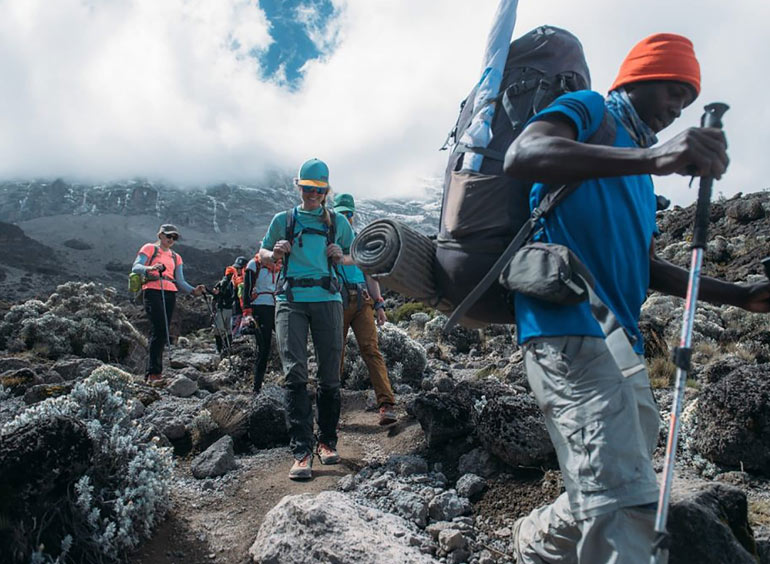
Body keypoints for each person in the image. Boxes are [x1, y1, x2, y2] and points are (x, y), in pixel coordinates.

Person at [503, 33, 770, 563]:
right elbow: (522, 154)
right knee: (625, 501)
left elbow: (646, 268)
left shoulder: (644, 178)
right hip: (564, 325)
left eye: (688, 101)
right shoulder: (591, 109)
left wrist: (741, 296)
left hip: (619, 338)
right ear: (639, 77)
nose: (678, 108)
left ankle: (534, 541)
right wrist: (651, 157)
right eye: (674, 91)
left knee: (622, 477)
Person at [258, 158, 354, 480]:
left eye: (318, 189)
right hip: (290, 301)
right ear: (297, 187)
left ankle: (327, 441)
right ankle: (301, 452)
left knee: (329, 374)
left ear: (326, 190)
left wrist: (341, 255)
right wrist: (275, 253)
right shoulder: (283, 220)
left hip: (327, 299)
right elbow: (262, 253)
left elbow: (357, 256)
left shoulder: (337, 222)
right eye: (307, 188)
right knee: (294, 373)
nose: (312, 194)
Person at [333, 193, 397, 425]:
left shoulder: (361, 242)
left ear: (353, 215)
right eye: (340, 214)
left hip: (362, 301)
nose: (344, 218)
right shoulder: (328, 242)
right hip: (335, 302)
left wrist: (379, 304)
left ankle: (387, 405)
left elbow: (370, 275)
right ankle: (331, 409)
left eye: (348, 214)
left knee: (371, 350)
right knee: (334, 354)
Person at [132, 224, 205, 384]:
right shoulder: (150, 248)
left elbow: (180, 281)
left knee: (164, 330)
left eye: (174, 237)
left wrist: (194, 291)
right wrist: (151, 268)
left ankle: (156, 372)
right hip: (152, 289)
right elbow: (136, 267)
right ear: (160, 235)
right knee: (158, 329)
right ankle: (153, 373)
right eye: (169, 236)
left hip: (170, 291)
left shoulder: (175, 257)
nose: (171, 239)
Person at [240, 252, 281, 393]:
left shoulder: (279, 266)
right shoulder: (254, 265)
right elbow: (247, 290)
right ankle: (257, 387)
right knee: (264, 348)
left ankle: (291, 381)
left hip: (276, 307)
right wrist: (247, 312)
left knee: (287, 343)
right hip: (260, 308)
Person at [210, 262, 238, 354]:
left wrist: (213, 309)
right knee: (222, 329)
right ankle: (222, 348)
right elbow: (215, 297)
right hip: (223, 309)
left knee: (223, 329)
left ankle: (224, 348)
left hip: (226, 309)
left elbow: (214, 297)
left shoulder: (231, 285)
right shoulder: (226, 284)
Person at [229, 256, 248, 336]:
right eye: (236, 268)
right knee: (233, 330)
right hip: (235, 310)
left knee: (241, 331)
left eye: (239, 268)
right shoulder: (233, 280)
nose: (237, 270)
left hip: (244, 311)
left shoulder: (249, 280)